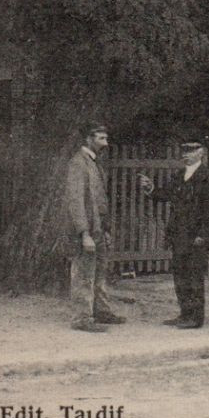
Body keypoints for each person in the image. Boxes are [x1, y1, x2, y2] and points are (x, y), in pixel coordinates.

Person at [139, 140, 209, 328]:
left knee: (194, 276)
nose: (186, 155)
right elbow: (165, 194)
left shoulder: (208, 177)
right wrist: (150, 189)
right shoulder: (179, 175)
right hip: (179, 235)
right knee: (180, 276)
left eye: (191, 151)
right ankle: (185, 314)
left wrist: (204, 234)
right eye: (184, 151)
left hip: (196, 237)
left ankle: (196, 318)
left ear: (201, 153)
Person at [62, 121, 124, 333]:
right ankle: (82, 318)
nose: (105, 143)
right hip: (86, 231)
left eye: (106, 138)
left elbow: (100, 201)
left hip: (98, 229)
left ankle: (101, 312)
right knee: (83, 274)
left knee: (99, 273)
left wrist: (104, 229)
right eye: (101, 138)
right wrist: (84, 233)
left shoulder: (94, 162)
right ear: (89, 139)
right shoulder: (78, 163)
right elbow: (76, 200)